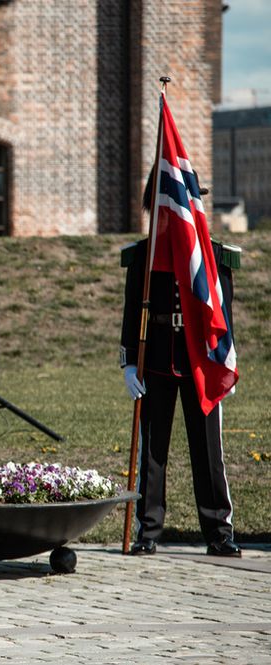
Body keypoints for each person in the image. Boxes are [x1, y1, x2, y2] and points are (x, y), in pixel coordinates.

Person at [120, 182, 242, 558]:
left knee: (208, 450)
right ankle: (149, 530)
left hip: (200, 363)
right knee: (153, 451)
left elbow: (223, 312)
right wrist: (128, 362)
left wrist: (226, 359)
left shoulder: (214, 255)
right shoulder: (144, 254)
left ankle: (219, 530)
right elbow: (130, 311)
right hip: (156, 358)